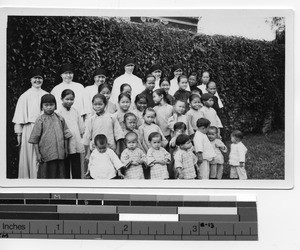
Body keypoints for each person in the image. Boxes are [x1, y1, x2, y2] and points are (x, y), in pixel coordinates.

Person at [12, 68, 48, 179]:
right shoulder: (25, 96)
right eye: (35, 78)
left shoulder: (46, 94)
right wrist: (19, 133)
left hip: (44, 129)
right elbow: (19, 117)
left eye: (40, 78)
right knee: (28, 155)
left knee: (43, 154)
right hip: (29, 129)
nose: (37, 80)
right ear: (30, 80)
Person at [28, 94, 72, 179]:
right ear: (42, 106)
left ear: (55, 105)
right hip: (46, 155)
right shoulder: (40, 120)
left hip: (60, 154)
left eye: (51, 105)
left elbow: (66, 135)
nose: (49, 107)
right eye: (46, 105)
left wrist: (66, 149)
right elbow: (35, 139)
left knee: (60, 175)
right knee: (45, 175)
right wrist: (38, 154)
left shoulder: (60, 118)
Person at [82, 94, 124, 164]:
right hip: (96, 150)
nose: (97, 106)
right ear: (92, 105)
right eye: (95, 104)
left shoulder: (111, 117)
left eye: (100, 104)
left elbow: (118, 134)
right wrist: (88, 154)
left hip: (110, 149)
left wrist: (118, 150)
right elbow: (87, 137)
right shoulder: (91, 120)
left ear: (105, 104)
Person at [58, 89, 85, 179]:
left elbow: (80, 126)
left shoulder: (75, 111)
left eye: (71, 99)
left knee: (76, 165)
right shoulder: (59, 112)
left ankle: (77, 183)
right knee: (65, 165)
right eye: (67, 99)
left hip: (76, 141)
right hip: (65, 143)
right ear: (61, 99)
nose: (69, 101)